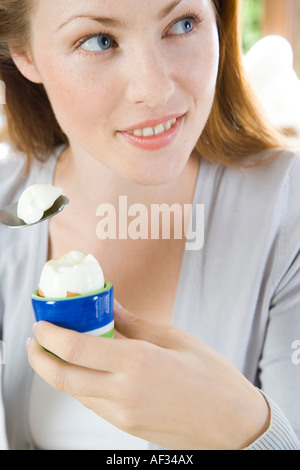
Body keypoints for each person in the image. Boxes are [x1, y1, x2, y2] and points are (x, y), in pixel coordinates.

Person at [0, 0, 299, 451]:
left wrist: (240, 426)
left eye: (182, 23)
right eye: (99, 41)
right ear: (24, 53)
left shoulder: (286, 209)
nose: (154, 90)